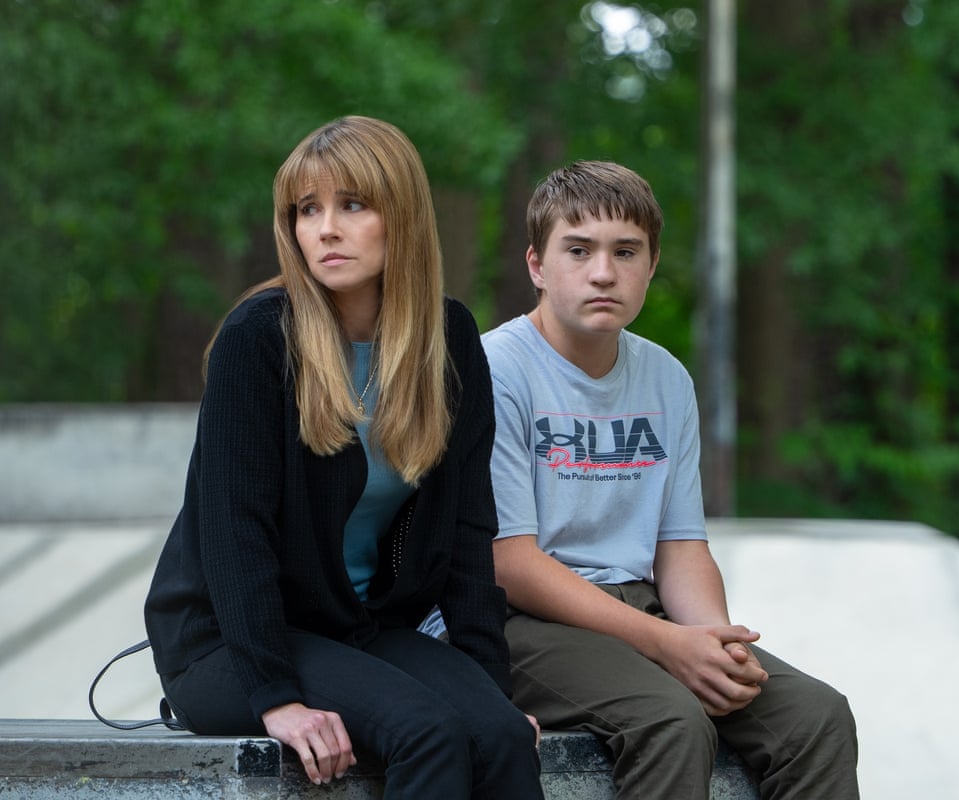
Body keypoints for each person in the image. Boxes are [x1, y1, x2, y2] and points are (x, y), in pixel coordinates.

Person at [142, 116, 543, 800]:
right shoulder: (259, 339)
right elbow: (235, 533)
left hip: (355, 629)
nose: (325, 228)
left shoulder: (448, 340)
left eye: (353, 205)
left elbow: (469, 533)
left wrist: (488, 686)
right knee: (426, 733)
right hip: (228, 644)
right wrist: (276, 698)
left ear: (403, 217)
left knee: (500, 737)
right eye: (307, 209)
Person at [483, 160, 861, 799]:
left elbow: (681, 546)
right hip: (519, 622)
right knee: (670, 720)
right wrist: (665, 644)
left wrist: (711, 645)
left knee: (817, 718)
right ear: (537, 267)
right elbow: (509, 562)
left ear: (651, 265)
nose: (604, 272)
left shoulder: (665, 378)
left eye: (625, 251)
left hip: (641, 606)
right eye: (578, 250)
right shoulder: (496, 369)